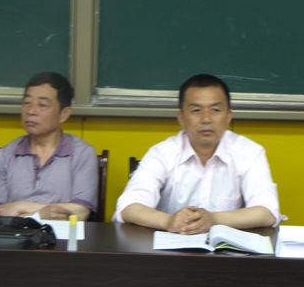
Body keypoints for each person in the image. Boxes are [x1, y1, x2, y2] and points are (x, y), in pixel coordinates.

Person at [114, 73, 280, 234]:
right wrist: (168, 221)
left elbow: (267, 211)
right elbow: (128, 206)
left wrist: (213, 219)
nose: (206, 119)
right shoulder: (162, 153)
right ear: (181, 118)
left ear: (229, 116)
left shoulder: (249, 152)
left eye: (215, 110)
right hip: (172, 246)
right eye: (196, 110)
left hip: (227, 249)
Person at [0, 71, 98, 221]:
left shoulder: (82, 154)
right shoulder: (5, 155)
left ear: (64, 114)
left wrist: (21, 207)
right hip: (16, 234)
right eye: (27, 103)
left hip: (61, 235)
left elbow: (81, 212)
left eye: (42, 105)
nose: (31, 111)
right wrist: (42, 213)